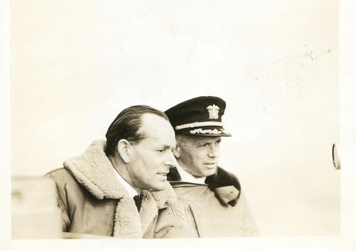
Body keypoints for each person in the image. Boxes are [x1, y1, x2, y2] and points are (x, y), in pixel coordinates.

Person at [45, 105, 187, 239]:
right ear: (125, 150)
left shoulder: (166, 202)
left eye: (172, 150)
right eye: (161, 150)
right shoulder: (57, 187)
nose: (173, 162)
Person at [161, 96, 260, 237]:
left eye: (217, 143)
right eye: (203, 145)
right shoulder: (158, 191)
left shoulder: (231, 188)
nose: (213, 154)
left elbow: (253, 240)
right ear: (175, 149)